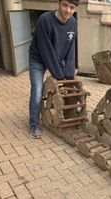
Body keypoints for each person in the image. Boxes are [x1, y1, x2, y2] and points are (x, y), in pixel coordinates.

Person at [29, 0, 78, 139]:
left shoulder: (73, 22)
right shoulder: (45, 20)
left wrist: (68, 74)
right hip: (38, 58)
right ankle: (34, 124)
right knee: (37, 91)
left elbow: (71, 48)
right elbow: (46, 50)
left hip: (57, 56)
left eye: (72, 7)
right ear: (59, 3)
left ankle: (71, 113)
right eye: (65, 5)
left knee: (69, 83)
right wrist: (58, 75)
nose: (68, 10)